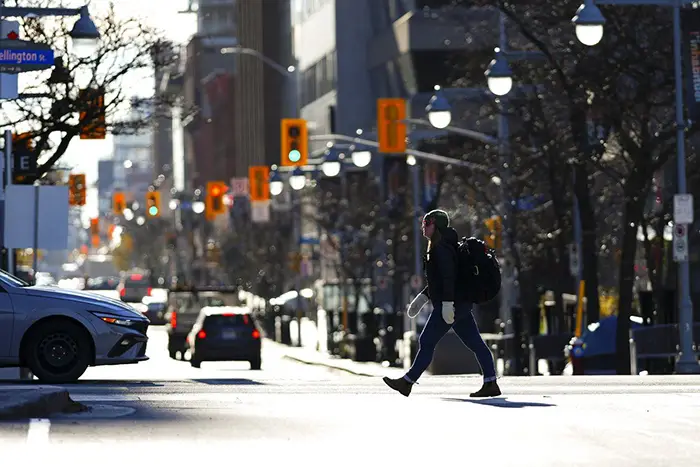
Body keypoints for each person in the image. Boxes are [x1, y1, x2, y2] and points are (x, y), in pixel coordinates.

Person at [383, 209, 501, 398]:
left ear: (435, 226)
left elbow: (448, 278)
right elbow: (437, 281)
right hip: (458, 303)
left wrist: (447, 304)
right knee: (475, 343)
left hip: (452, 304)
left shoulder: (442, 248)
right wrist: (422, 299)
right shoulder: (440, 245)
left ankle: (407, 382)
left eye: (427, 224)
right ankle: (491, 382)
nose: (423, 227)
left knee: (427, 341)